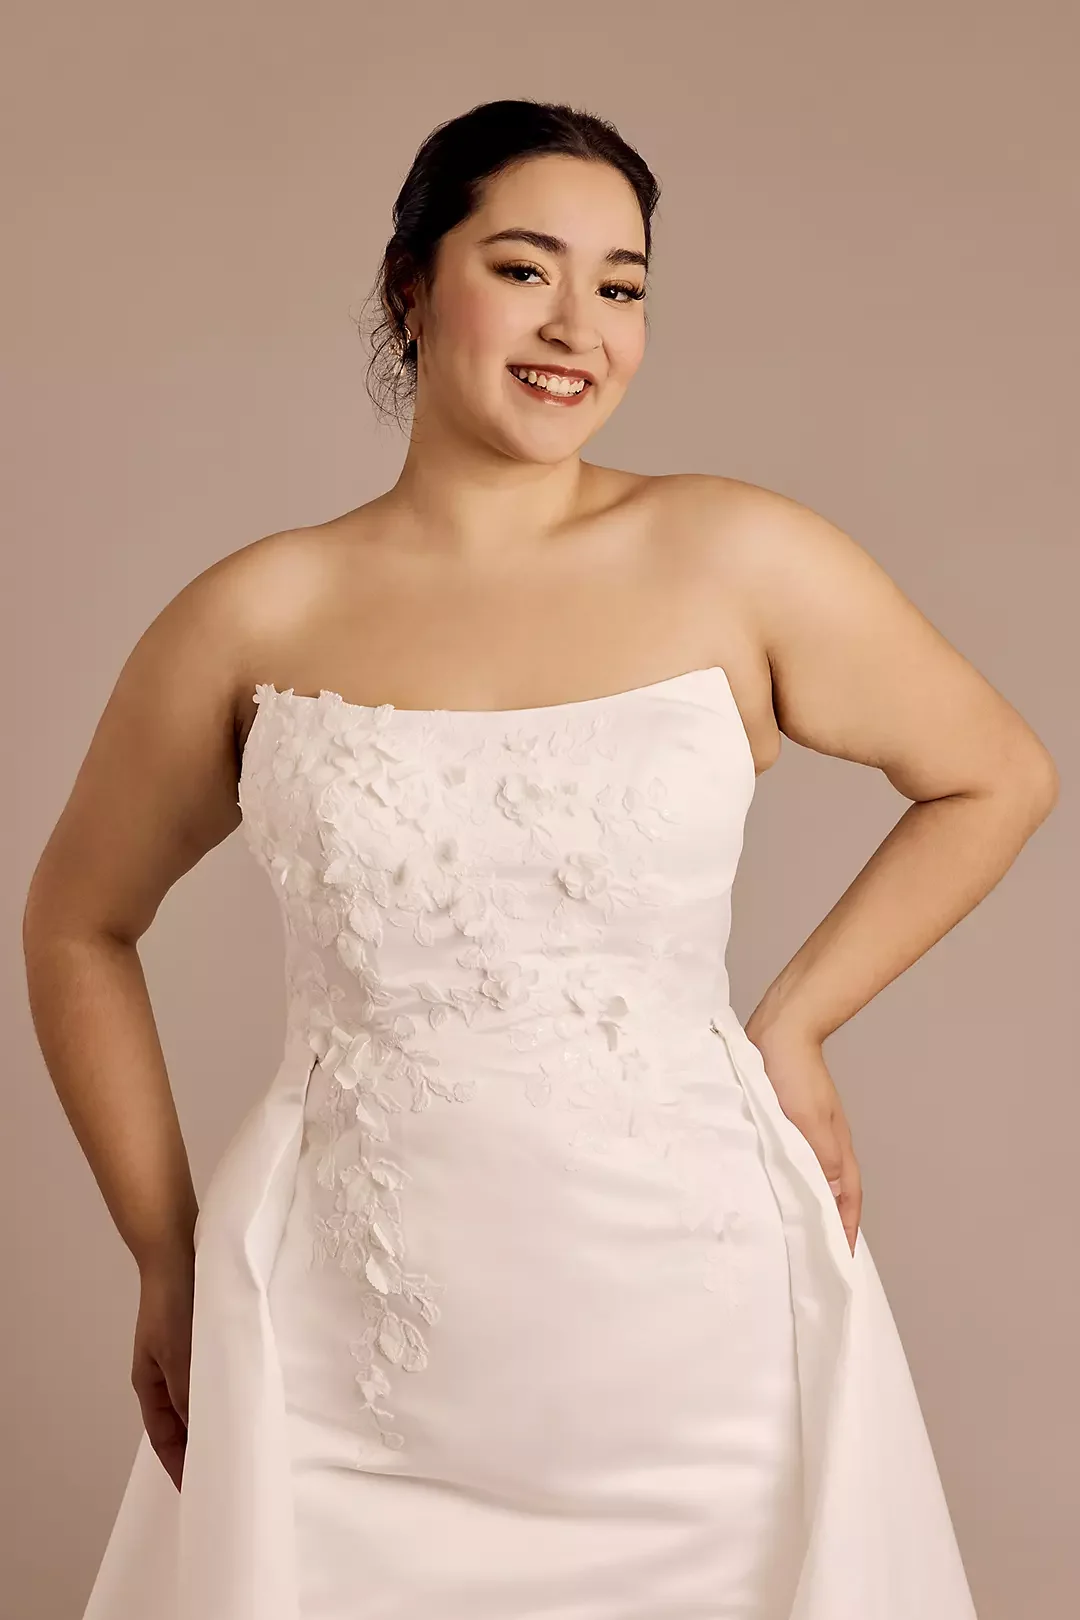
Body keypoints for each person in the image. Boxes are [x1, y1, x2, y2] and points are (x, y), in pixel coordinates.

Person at [24, 97, 1055, 1620]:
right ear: (411, 286)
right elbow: (76, 922)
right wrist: (163, 1254)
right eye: (524, 269)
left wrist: (794, 1022)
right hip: (337, 1351)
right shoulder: (255, 613)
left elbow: (997, 775)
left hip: (702, 1356)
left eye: (622, 286)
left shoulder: (737, 555)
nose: (580, 326)